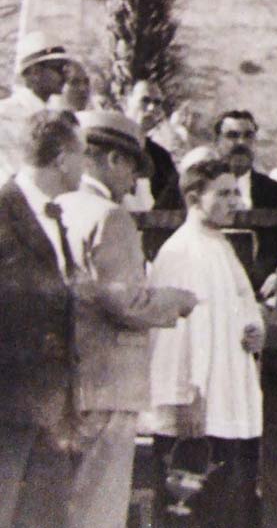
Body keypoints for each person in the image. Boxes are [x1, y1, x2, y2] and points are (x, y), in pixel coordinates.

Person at [58, 110, 197, 528]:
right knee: (98, 506)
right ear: (114, 160)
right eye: (133, 169)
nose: (134, 182)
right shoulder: (109, 217)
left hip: (68, 381)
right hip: (108, 385)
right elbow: (126, 304)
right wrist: (174, 301)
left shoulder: (58, 206)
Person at [148, 158, 265, 528]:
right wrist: (189, 397)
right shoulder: (179, 251)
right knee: (191, 510)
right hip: (199, 406)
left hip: (230, 394)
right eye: (225, 193)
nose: (236, 201)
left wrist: (254, 329)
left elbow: (242, 303)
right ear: (195, 197)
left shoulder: (222, 246)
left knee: (230, 506)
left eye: (237, 192)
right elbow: (172, 335)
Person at [0, 110, 85, 528]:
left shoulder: (54, 217)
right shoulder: (3, 213)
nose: (86, 166)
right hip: (9, 408)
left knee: (44, 518)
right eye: (83, 155)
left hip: (51, 411)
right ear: (62, 158)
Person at [213, 109, 277, 286]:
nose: (241, 142)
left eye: (248, 136)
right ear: (217, 142)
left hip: (262, 296)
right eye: (232, 135)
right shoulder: (199, 187)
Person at [0, 32, 75, 179]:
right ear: (35, 72)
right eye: (58, 69)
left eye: (66, 69)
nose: (65, 76)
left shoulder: (57, 112)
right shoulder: (6, 113)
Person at [122, 79, 182, 210]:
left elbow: (173, 204)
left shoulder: (161, 157)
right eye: (145, 101)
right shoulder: (110, 146)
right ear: (126, 101)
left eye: (157, 103)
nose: (151, 108)